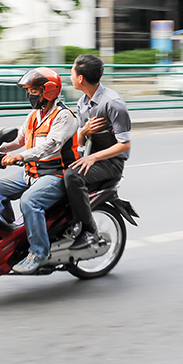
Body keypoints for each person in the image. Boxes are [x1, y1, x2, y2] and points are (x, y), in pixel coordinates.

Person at [0, 67, 79, 274]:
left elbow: (51, 146)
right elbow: (18, 140)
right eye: (28, 91)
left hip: (55, 174)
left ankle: (39, 252)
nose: (30, 95)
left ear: (49, 91)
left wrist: (20, 157)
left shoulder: (64, 117)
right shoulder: (34, 116)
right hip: (31, 172)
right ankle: (14, 238)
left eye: (34, 90)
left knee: (29, 201)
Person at [64, 54, 131, 250]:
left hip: (111, 163)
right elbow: (81, 143)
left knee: (72, 176)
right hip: (92, 159)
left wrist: (93, 157)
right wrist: (83, 132)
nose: (70, 76)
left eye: (71, 72)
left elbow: (124, 145)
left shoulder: (113, 103)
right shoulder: (82, 103)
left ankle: (89, 231)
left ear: (81, 78)